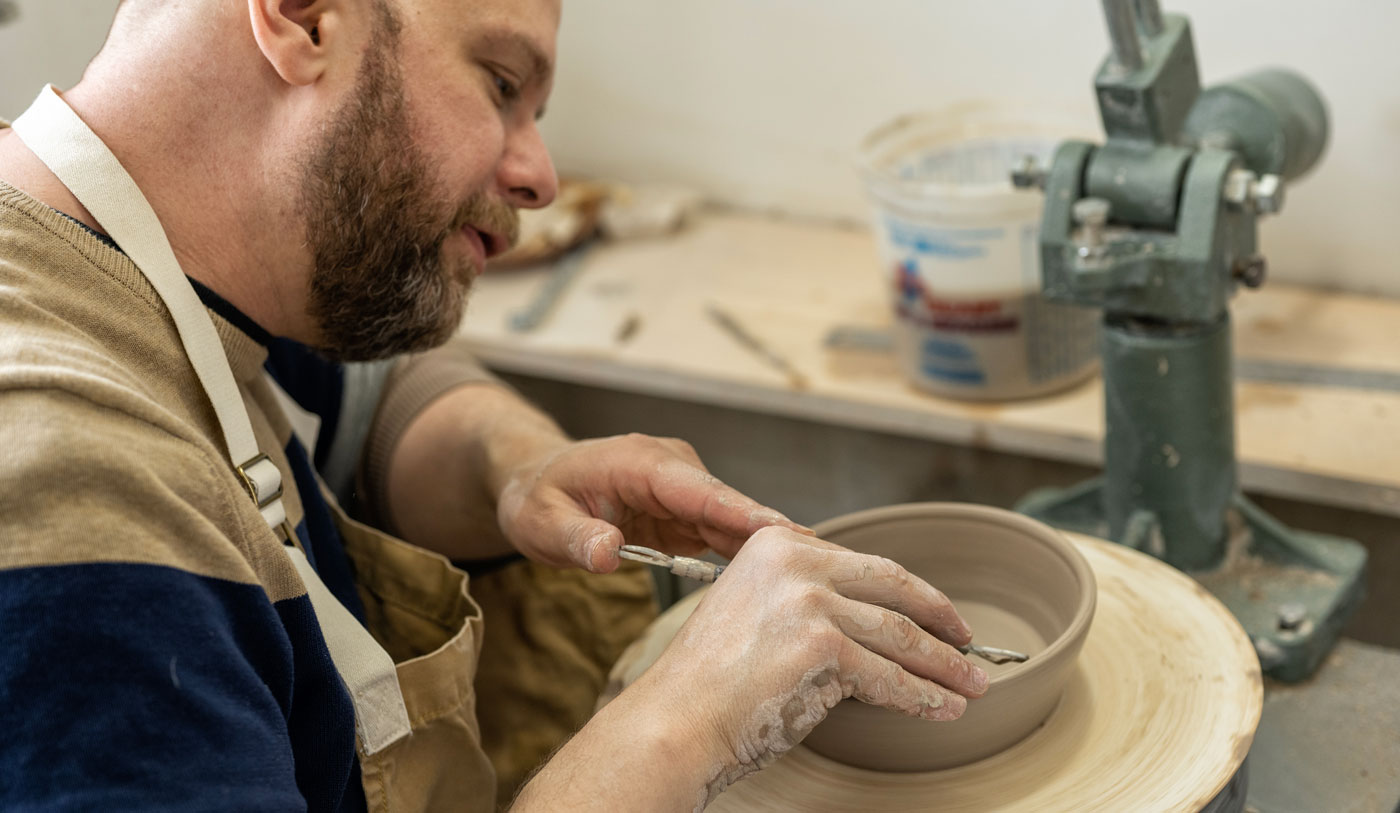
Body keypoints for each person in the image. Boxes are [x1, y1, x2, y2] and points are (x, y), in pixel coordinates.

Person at [0, 0, 988, 809]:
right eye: (503, 84)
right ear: (302, 19)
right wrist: (685, 723)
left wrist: (512, 468)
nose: (540, 177)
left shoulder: (184, 255)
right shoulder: (66, 484)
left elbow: (377, 399)